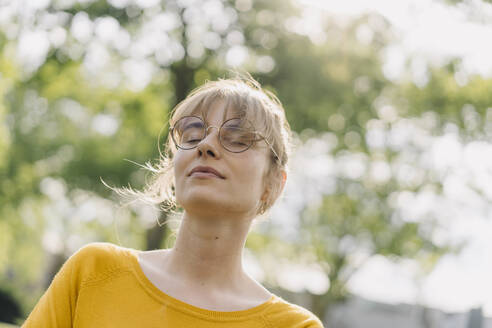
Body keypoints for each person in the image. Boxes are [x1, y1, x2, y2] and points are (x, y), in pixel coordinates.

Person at [23, 76, 324, 327]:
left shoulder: (295, 326)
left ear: (273, 184)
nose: (205, 145)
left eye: (236, 138)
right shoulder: (94, 272)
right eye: (192, 135)